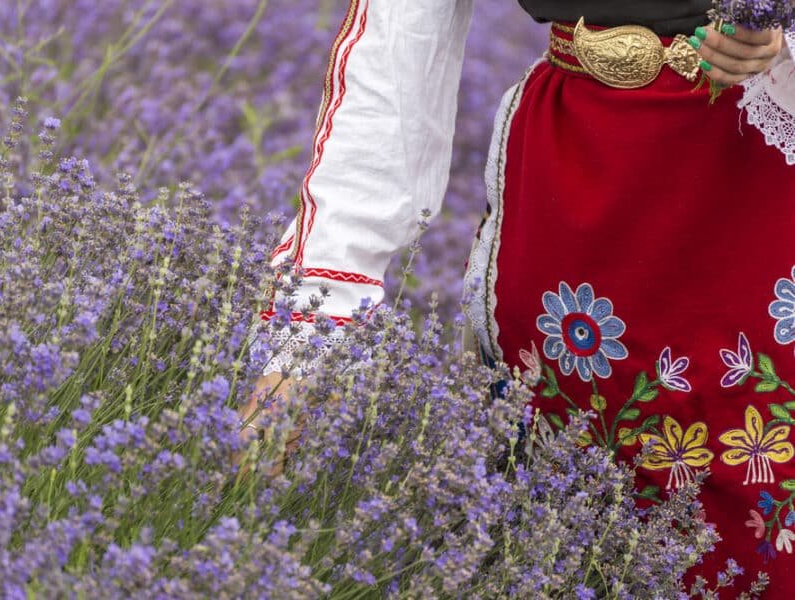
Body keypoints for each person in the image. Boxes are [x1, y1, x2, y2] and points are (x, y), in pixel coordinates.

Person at [239, 0, 795, 594]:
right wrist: (313, 333)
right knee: (549, 545)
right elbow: (398, 46)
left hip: (761, 202)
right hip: (569, 216)